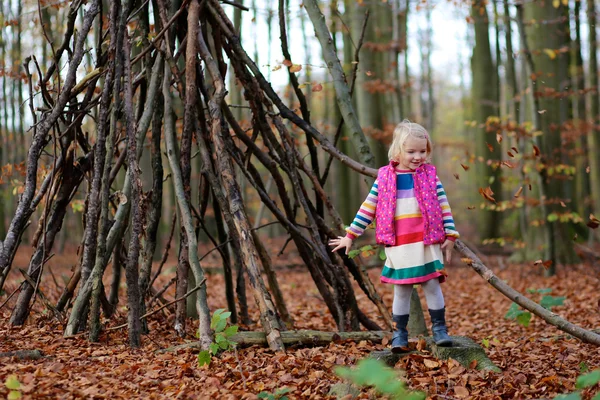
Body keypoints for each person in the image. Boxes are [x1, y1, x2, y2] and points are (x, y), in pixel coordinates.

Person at [329, 120, 459, 353]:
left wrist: (450, 235)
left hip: (426, 241)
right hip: (399, 244)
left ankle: (440, 329)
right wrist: (350, 234)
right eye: (411, 151)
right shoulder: (385, 178)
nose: (417, 156)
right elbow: (368, 207)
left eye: (422, 151)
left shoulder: (430, 176)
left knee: (431, 284)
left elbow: (443, 206)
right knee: (402, 289)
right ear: (397, 151)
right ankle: (400, 333)